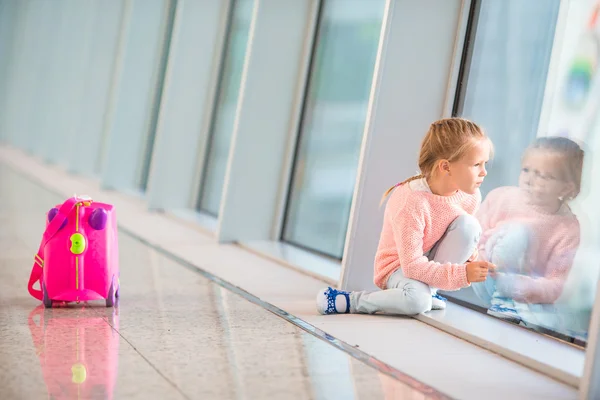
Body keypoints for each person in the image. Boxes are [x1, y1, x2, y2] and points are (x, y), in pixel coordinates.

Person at [316, 118, 495, 315]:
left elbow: (463, 238)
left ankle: (429, 291)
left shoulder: (471, 196)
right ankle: (351, 300)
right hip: (399, 267)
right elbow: (411, 266)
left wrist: (473, 261)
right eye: (477, 164)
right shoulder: (411, 200)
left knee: (470, 225)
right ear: (446, 167)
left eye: (485, 163)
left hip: (427, 264)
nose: (484, 172)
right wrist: (462, 274)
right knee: (416, 303)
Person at [473, 137, 584, 324]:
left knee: (554, 319)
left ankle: (512, 310)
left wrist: (522, 287)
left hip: (523, 295)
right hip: (484, 277)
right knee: (518, 233)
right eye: (527, 170)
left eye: (545, 176)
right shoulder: (501, 197)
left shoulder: (568, 227)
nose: (531, 180)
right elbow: (474, 238)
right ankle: (502, 301)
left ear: (567, 187)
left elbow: (557, 283)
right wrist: (482, 263)